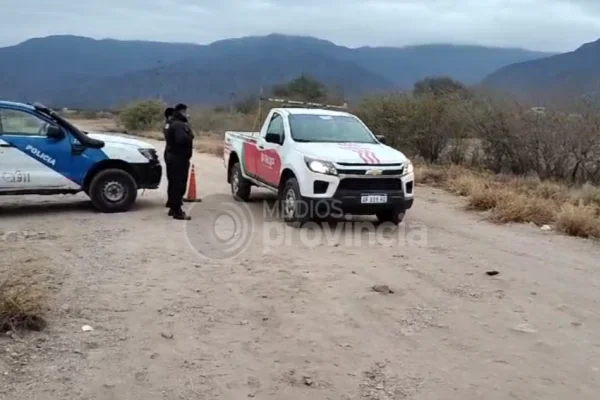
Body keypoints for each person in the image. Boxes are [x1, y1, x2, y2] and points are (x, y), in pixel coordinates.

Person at [164, 103, 194, 220]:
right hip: (179, 158)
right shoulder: (179, 125)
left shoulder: (169, 123)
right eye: (186, 112)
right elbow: (182, 139)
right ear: (182, 111)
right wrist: (190, 135)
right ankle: (177, 211)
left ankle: (172, 207)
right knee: (179, 184)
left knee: (173, 183)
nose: (187, 114)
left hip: (171, 156)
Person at [163, 107, 174, 209]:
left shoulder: (168, 124)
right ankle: (172, 201)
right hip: (172, 153)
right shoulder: (170, 124)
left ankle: (171, 200)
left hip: (168, 152)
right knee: (173, 179)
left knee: (172, 179)